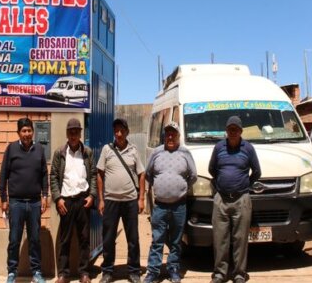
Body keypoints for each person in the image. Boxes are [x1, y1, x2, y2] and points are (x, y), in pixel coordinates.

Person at [208, 116, 261, 283]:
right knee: (220, 239)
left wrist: (244, 185)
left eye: (235, 129)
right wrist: (222, 185)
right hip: (221, 199)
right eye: (230, 129)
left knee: (240, 239)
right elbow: (212, 169)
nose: (232, 132)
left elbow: (257, 172)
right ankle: (219, 274)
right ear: (226, 130)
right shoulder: (218, 148)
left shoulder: (248, 149)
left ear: (241, 131)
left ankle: (239, 274)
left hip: (242, 200)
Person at [143, 122, 197, 283]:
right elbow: (148, 174)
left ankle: (173, 269)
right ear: (164, 136)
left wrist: (180, 188)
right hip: (160, 205)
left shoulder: (185, 153)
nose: (170, 136)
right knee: (157, 239)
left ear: (178, 136)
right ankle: (153, 271)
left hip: (179, 205)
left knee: (176, 240)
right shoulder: (156, 153)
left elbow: (193, 176)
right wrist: (160, 186)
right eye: (167, 134)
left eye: (173, 133)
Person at [0, 118, 49, 283]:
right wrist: (4, 199)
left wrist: (44, 196)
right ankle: (12, 272)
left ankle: (36, 273)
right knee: (14, 239)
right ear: (19, 133)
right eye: (24, 131)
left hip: (34, 203)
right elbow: (3, 175)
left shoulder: (39, 149)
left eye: (29, 130)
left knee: (35, 240)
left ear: (32, 132)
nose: (27, 134)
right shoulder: (11, 149)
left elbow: (43, 175)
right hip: (16, 203)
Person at [96, 118, 146, 283]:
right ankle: (108, 271)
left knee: (133, 238)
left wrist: (141, 198)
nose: (119, 134)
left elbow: (141, 174)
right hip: (110, 201)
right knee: (108, 238)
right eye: (116, 131)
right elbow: (100, 174)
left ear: (127, 132)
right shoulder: (107, 149)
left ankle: (133, 271)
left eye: (122, 131)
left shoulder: (133, 150)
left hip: (130, 201)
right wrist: (101, 199)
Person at [50, 118, 97, 283]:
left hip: (83, 200)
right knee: (65, 239)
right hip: (66, 202)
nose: (74, 135)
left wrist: (92, 195)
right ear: (67, 134)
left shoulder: (88, 152)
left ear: (80, 133)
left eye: (76, 132)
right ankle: (63, 273)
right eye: (71, 132)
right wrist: (57, 199)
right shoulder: (59, 153)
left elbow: (93, 175)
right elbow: (54, 177)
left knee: (84, 239)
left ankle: (84, 272)